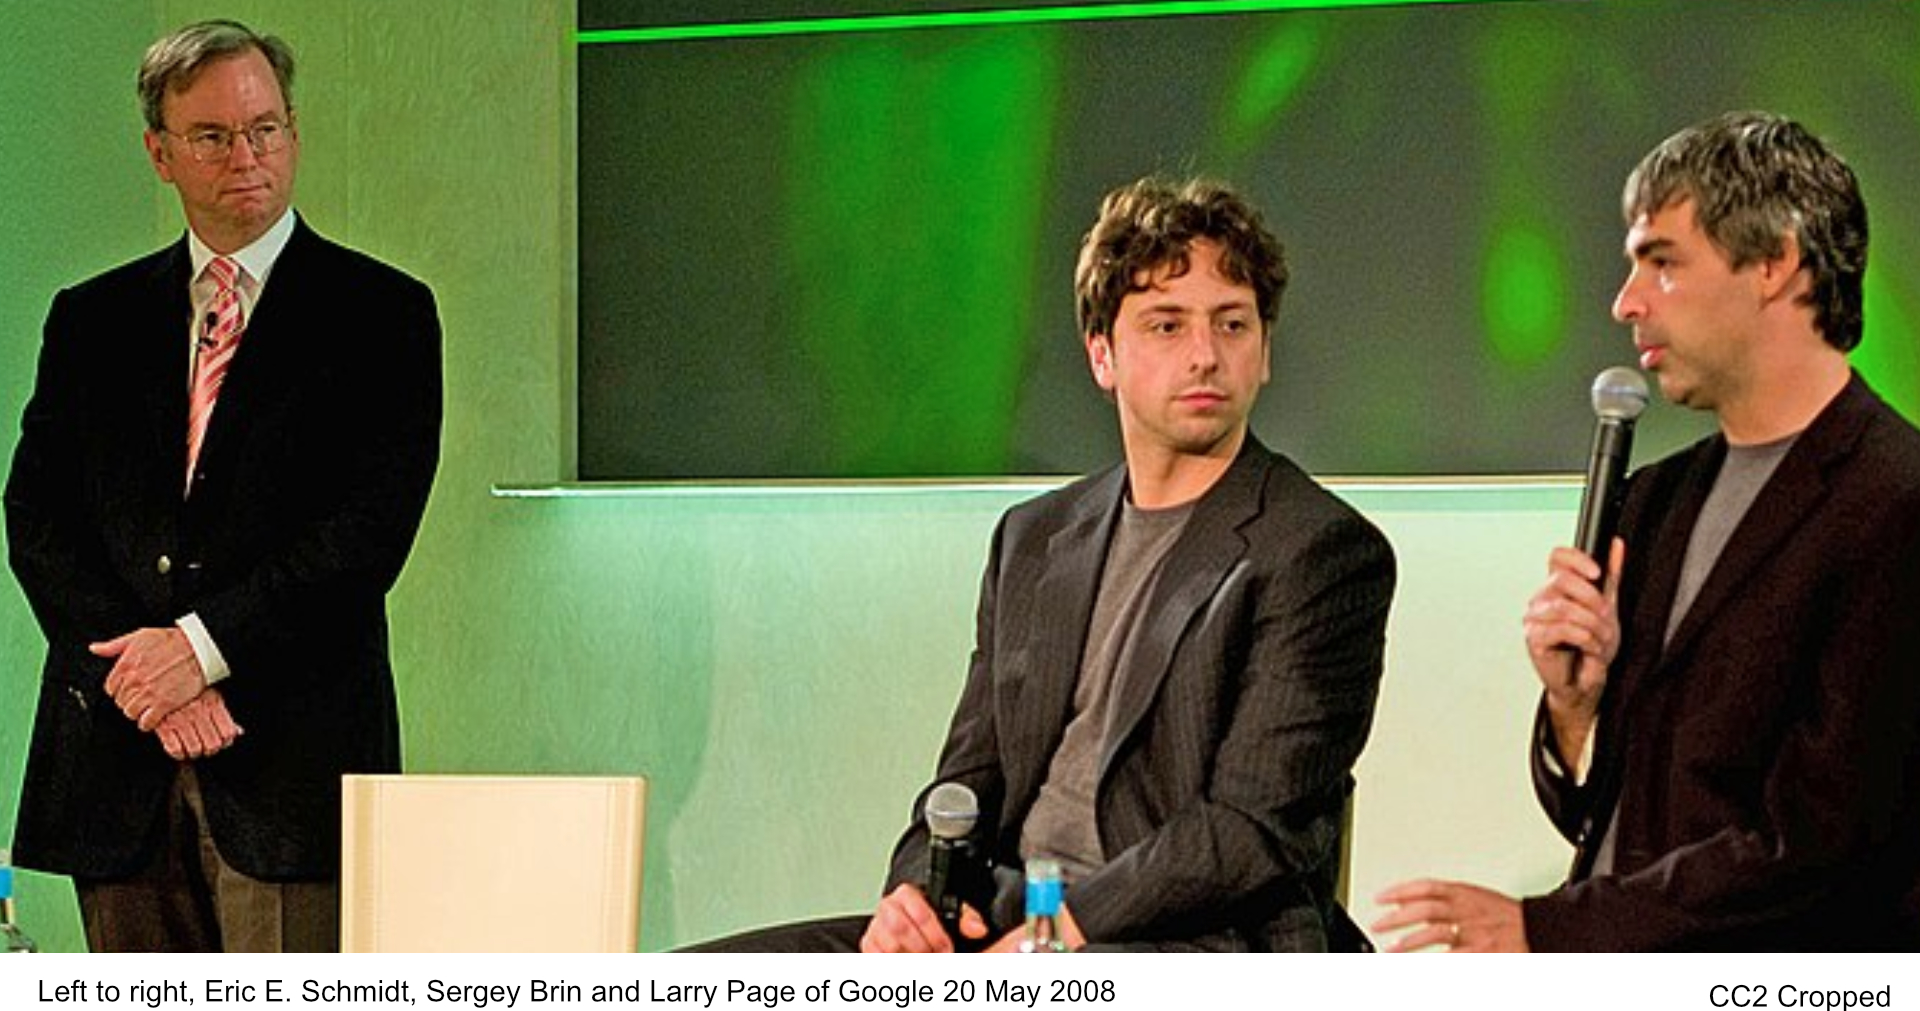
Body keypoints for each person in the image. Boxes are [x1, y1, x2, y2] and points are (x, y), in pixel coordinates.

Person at [699, 176, 1395, 952]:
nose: (1205, 355)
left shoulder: (1320, 549)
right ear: (1103, 355)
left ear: (1263, 352)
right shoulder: (1033, 538)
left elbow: (1249, 831)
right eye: (1166, 326)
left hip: (1187, 945)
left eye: (1232, 325)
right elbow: (966, 783)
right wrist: (915, 897)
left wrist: (1053, 933)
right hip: (1005, 923)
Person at [1373, 112, 1920, 951]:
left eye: (1661, 264)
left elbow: (1825, 847)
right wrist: (1572, 707)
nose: (1625, 302)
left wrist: (1545, 928)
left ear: (1774, 262)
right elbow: (1603, 820)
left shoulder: (1893, 499)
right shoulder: (1655, 500)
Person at [3, 19, 442, 952]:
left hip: (290, 764)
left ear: (292, 132)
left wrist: (200, 651)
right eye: (213, 136)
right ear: (160, 153)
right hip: (118, 765)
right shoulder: (91, 321)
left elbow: (364, 537)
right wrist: (149, 680)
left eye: (266, 128)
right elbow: (39, 520)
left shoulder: (383, 315)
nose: (247, 156)